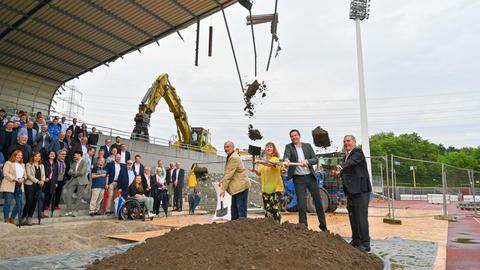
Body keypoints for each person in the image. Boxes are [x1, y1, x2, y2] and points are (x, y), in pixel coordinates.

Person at [283, 129, 328, 231]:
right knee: (302, 204)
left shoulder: (307, 146)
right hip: (298, 179)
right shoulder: (289, 147)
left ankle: (323, 226)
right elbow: (287, 156)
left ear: (299, 136)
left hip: (310, 177)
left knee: (318, 202)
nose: (294, 137)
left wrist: (307, 161)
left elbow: (315, 159)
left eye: (295, 135)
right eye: (292, 136)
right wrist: (286, 160)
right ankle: (303, 227)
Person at [336, 135, 372, 252]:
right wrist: (337, 172)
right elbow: (347, 171)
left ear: (354, 142)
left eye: (348, 141)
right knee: (353, 216)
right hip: (351, 191)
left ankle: (365, 243)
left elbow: (352, 162)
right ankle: (356, 240)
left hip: (361, 190)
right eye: (344, 141)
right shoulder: (345, 156)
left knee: (361, 217)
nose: (346, 143)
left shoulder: (357, 152)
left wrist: (340, 166)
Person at [252, 142, 285, 223]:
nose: (269, 148)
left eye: (271, 147)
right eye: (267, 147)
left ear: (274, 149)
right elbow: (259, 173)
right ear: (265, 149)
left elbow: (270, 165)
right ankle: (269, 227)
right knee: (267, 210)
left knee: (274, 209)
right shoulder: (263, 162)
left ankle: (277, 226)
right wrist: (255, 170)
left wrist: (259, 161)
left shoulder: (275, 159)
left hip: (275, 189)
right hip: (266, 189)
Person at [219, 141, 251, 220]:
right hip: (237, 188)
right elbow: (228, 173)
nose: (226, 149)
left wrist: (223, 189)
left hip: (241, 187)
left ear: (233, 147)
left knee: (240, 210)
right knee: (234, 209)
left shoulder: (233, 158)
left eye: (228, 147)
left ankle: (242, 228)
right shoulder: (231, 156)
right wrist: (221, 181)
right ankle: (235, 228)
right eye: (225, 147)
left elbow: (229, 175)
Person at [1, 150, 26, 224]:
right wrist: (15, 179)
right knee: (8, 202)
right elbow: (5, 173)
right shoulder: (8, 163)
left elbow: (25, 175)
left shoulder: (22, 164)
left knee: (21, 202)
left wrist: (23, 178)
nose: (19, 156)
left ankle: (12, 218)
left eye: (21, 155)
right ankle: (6, 219)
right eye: (18, 155)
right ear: (14, 155)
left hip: (20, 186)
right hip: (10, 185)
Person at [22, 152, 46, 225]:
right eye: (36, 156)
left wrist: (42, 180)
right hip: (30, 185)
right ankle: (23, 217)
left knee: (34, 202)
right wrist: (38, 181)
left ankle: (29, 217)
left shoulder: (41, 165)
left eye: (39, 156)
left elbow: (43, 175)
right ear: (33, 157)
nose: (37, 158)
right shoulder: (28, 164)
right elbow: (28, 175)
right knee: (29, 201)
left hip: (38, 186)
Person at [64, 151, 89, 217]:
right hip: (73, 180)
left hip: (82, 181)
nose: (74, 156)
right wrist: (75, 172)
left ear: (79, 155)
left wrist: (74, 172)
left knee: (79, 197)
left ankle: (76, 211)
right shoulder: (74, 162)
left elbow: (82, 172)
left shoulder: (84, 162)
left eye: (75, 155)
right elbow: (69, 172)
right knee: (68, 194)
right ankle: (69, 210)